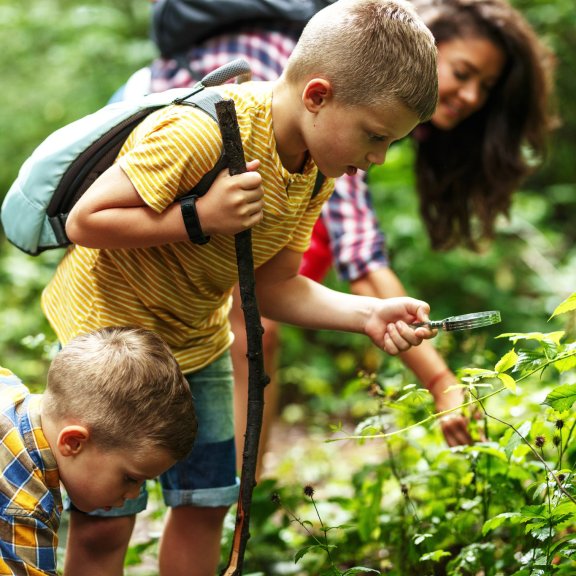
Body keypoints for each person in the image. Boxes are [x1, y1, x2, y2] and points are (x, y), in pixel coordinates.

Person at [40, 1, 439, 575]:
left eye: (390, 143)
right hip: (111, 342)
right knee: (106, 519)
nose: (376, 159)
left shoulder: (312, 172)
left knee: (206, 504)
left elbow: (274, 288)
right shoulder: (200, 131)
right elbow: (86, 221)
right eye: (375, 136)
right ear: (318, 96)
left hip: (199, 345)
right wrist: (199, 216)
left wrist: (369, 313)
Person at [146, 0, 557, 473]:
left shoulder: (365, 119)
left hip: (232, 194)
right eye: (462, 73)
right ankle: (231, 491)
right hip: (164, 161)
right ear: (425, 47)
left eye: (484, 88)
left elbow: (316, 264)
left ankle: (237, 501)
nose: (470, 96)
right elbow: (361, 255)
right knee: (250, 323)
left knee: (262, 309)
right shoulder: (340, 91)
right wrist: (442, 382)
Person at [0, 326, 197, 576]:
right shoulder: (24, 507)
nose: (133, 494)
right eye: (130, 478)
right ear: (73, 442)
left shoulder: (7, 385)